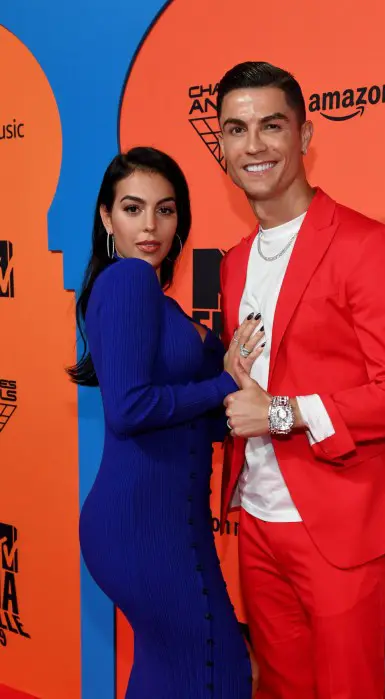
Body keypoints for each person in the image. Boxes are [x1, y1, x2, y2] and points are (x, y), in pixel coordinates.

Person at [216, 62, 385, 699]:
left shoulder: (367, 245)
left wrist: (281, 412)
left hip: (339, 525)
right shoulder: (232, 264)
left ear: (306, 136)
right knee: (279, 689)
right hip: (255, 517)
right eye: (235, 129)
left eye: (271, 126)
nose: (253, 145)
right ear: (221, 145)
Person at [67, 146, 262, 699]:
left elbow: (188, 412)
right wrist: (223, 382)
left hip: (167, 516)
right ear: (106, 217)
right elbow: (131, 410)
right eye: (133, 209)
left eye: (166, 210)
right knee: (212, 671)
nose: (151, 226)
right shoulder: (128, 280)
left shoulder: (156, 299)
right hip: (144, 522)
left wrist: (229, 393)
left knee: (174, 670)